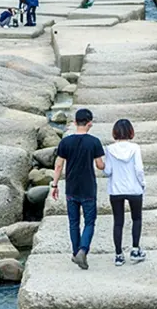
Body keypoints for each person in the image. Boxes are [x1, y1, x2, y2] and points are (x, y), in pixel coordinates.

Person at [52, 109, 105, 270]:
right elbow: (100, 165)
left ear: (75, 123)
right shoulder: (94, 142)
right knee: (89, 222)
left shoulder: (65, 142)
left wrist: (54, 185)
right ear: (90, 123)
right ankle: (83, 250)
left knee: (73, 223)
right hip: (88, 188)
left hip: (71, 188)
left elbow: (59, 165)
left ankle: (76, 252)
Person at [103, 119, 147, 266]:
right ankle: (135, 250)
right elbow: (139, 169)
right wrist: (142, 183)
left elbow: (107, 171)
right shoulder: (135, 148)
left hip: (116, 190)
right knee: (136, 219)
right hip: (134, 188)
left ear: (115, 132)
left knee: (118, 222)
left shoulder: (109, 149)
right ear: (131, 132)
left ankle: (118, 255)